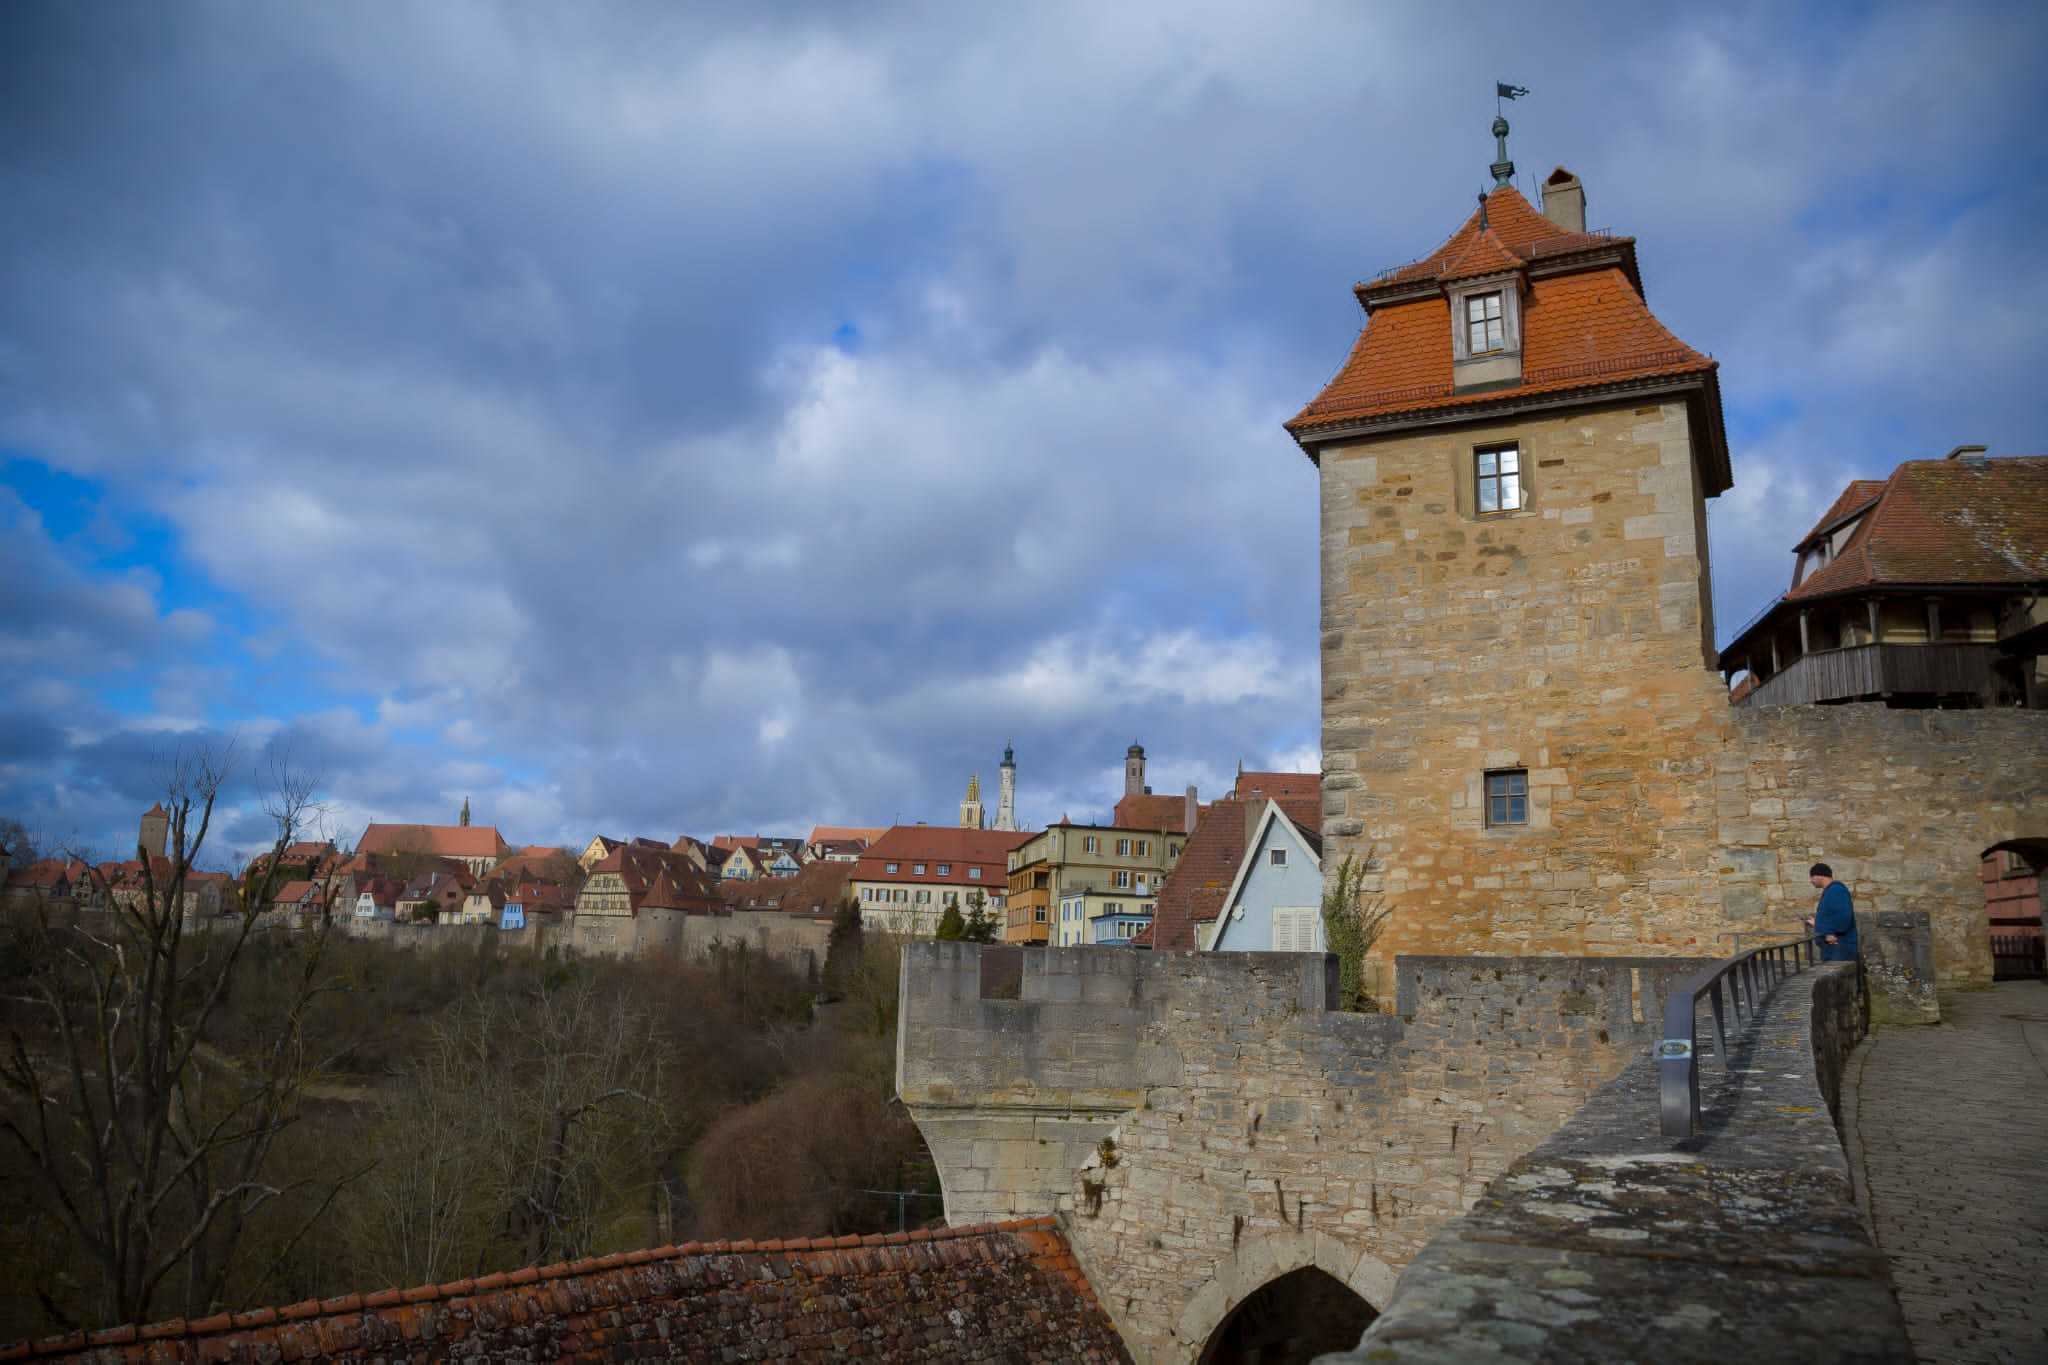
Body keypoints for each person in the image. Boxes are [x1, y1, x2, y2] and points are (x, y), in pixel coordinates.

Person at [1803, 863, 1858, 963]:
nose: (1810, 881)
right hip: (1834, 948)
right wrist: (1817, 922)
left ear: (1819, 875)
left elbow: (1843, 918)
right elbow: (1832, 916)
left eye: (1812, 877)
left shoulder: (1836, 890)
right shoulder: (1831, 891)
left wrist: (1828, 932)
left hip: (1839, 947)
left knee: (1841, 978)